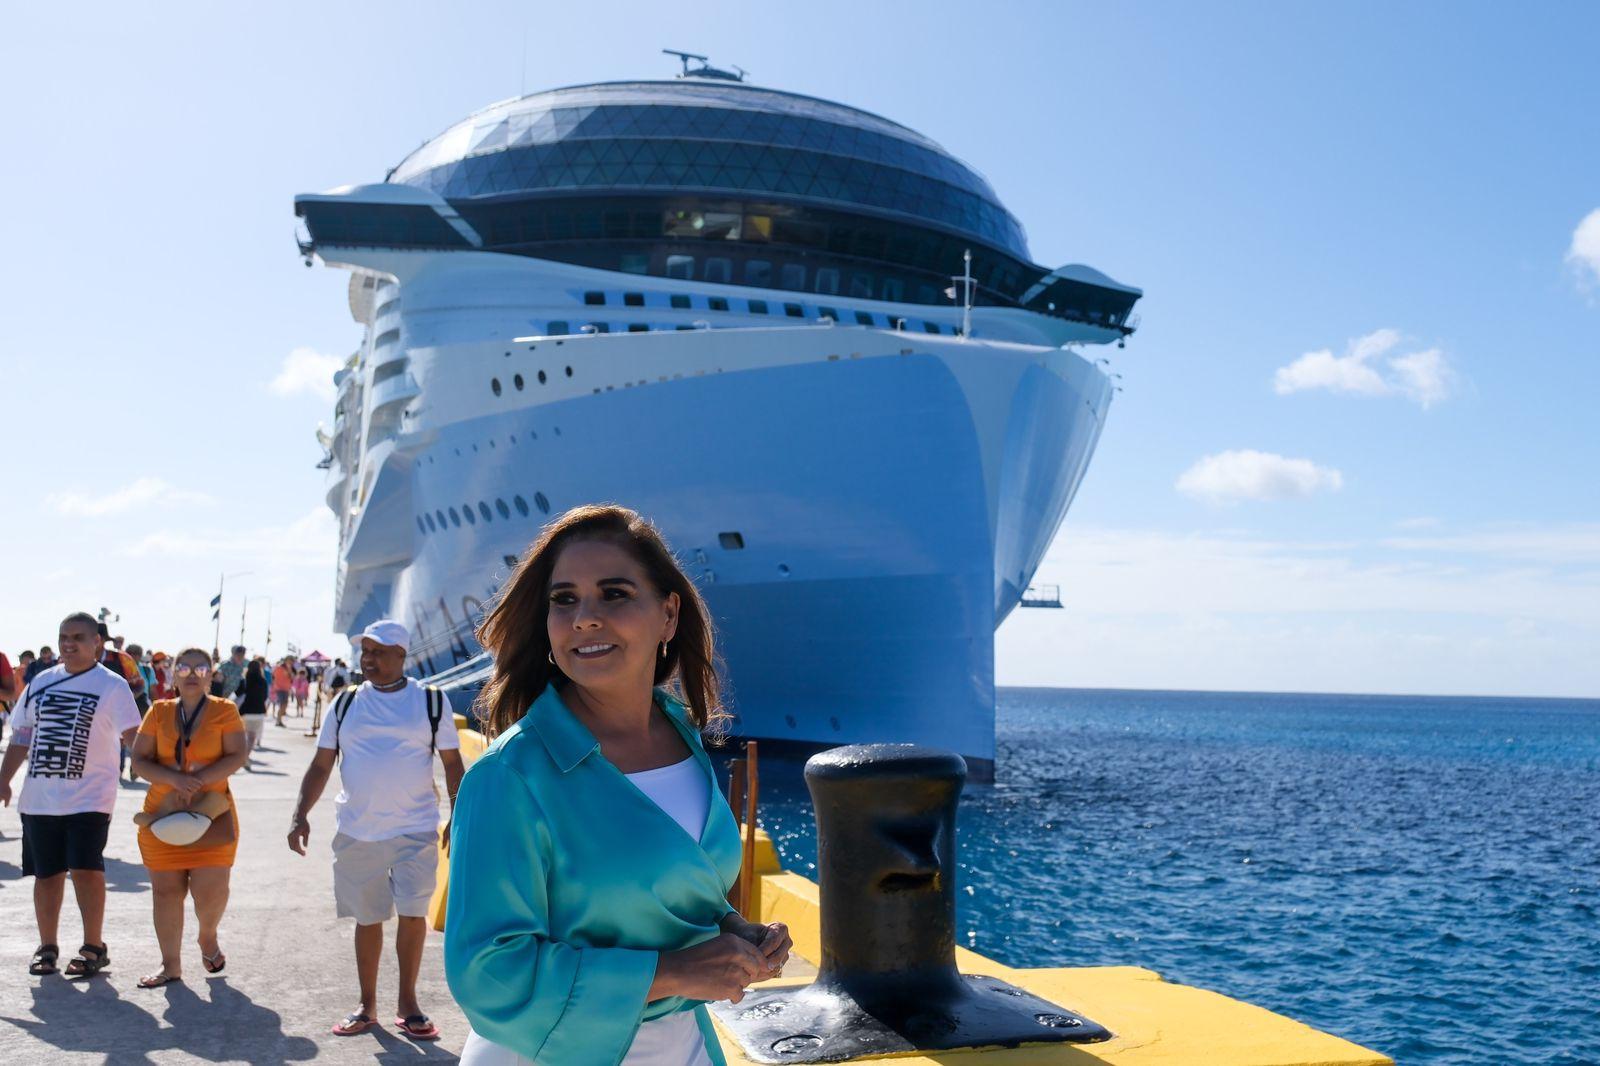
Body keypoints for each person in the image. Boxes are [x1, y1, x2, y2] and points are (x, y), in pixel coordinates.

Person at [445, 505, 791, 1066]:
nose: (585, 617)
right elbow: (488, 971)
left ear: (669, 614)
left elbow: (671, 889)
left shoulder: (682, 736)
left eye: (614, 593)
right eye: (564, 600)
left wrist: (735, 930)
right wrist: (676, 971)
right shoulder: (510, 776)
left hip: (686, 1044)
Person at [289, 620, 463, 1040]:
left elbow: (453, 764)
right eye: (365, 651)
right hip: (358, 831)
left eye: (379, 651)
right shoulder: (345, 703)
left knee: (412, 914)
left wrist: (459, 816)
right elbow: (321, 764)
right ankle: (367, 1005)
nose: (368, 659)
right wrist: (300, 814)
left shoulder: (431, 702)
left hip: (416, 828)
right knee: (367, 919)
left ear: (402, 655)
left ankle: (409, 1003)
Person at [0, 613, 143, 978]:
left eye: (78, 637)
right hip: (40, 799)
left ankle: (93, 946)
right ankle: (47, 946)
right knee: (46, 875)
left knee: (85, 868)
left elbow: (134, 737)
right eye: (64, 636)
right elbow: (21, 736)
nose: (69, 643)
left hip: (90, 797)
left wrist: (157, 778)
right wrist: (4, 780)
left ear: (97, 642)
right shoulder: (40, 682)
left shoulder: (112, 685)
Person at [128, 647, 249, 987]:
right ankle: (170, 966)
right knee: (166, 894)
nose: (192, 673)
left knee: (211, 893)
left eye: (200, 668)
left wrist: (197, 781)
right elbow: (139, 760)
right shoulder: (159, 711)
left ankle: (207, 937)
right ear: (172, 674)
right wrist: (175, 780)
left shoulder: (224, 711)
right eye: (184, 667)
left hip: (211, 811)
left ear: (212, 675)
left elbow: (237, 755)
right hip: (163, 814)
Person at [237, 660, 268, 760]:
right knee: (251, 737)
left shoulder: (244, 680)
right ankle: (245, 757)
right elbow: (265, 697)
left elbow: (237, 694)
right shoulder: (263, 681)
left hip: (245, 711)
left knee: (243, 736)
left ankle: (242, 757)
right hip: (258, 711)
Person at [271, 658, 293, 727]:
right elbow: (273, 676)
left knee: (284, 705)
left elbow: (291, 678)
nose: (290, 662)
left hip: (285, 689)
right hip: (279, 688)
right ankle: (278, 721)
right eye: (290, 661)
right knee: (282, 705)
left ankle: (279, 720)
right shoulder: (279, 667)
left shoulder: (288, 668)